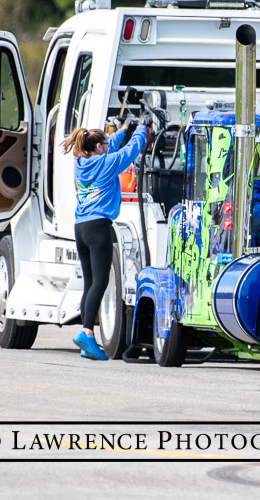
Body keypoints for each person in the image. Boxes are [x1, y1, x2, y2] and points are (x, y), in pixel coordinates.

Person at [62, 115, 150, 360]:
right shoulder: (107, 163)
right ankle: (87, 334)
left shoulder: (81, 161)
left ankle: (85, 340)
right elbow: (131, 152)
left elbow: (110, 142)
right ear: (99, 148)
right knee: (100, 283)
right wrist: (142, 129)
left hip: (80, 227)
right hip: (99, 228)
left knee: (90, 283)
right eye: (107, 144)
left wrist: (122, 130)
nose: (110, 146)